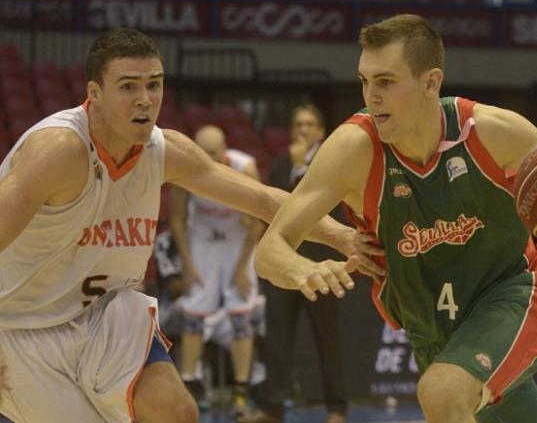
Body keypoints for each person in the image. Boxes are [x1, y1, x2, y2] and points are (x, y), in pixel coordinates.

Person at [254, 14, 537, 423]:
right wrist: (300, 269)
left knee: (442, 391)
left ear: (431, 82)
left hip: (515, 300)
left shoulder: (492, 131)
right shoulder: (352, 149)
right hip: (434, 333)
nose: (371, 95)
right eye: (365, 81)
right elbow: (270, 249)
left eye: (386, 81)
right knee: (449, 392)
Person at [0, 28, 376, 423]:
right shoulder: (59, 152)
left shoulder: (165, 150)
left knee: (176, 411)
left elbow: (264, 199)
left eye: (154, 84)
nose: (145, 99)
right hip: (23, 324)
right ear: (94, 93)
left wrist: (341, 236)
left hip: (103, 313)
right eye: (128, 86)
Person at [241, 104, 348, 423]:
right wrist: (296, 166)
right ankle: (271, 407)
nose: (303, 129)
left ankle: (337, 409)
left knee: (328, 337)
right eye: (298, 123)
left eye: (310, 124)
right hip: (284, 261)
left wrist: (304, 168)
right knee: (277, 337)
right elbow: (275, 210)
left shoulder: (334, 165)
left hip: (321, 262)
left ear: (320, 131)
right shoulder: (281, 164)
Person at [169, 125, 264, 416]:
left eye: (213, 153)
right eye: (203, 152)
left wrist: (240, 269)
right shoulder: (182, 167)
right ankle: (190, 385)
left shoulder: (244, 167)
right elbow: (176, 219)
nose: (207, 158)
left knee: (241, 315)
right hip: (203, 237)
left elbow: (258, 222)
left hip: (237, 238)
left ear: (223, 151)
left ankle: (241, 391)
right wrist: (187, 264)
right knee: (194, 313)